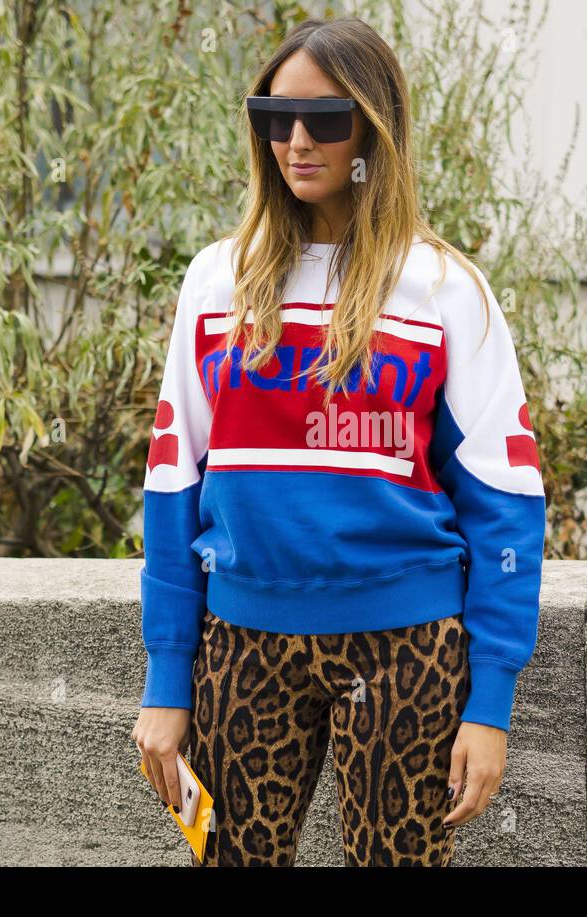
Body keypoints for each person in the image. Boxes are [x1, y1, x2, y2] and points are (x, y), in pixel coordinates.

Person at [129, 15, 546, 866]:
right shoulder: (216, 283)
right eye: (274, 117)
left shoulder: (443, 290)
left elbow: (507, 505)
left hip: (409, 651)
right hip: (241, 645)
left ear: (375, 126)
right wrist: (168, 678)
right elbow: (174, 485)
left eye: (325, 118)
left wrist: (491, 700)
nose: (296, 141)